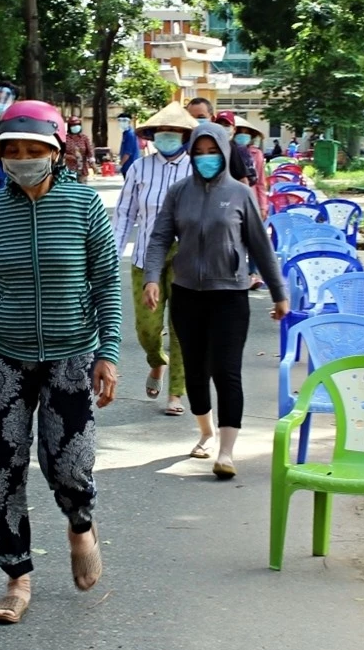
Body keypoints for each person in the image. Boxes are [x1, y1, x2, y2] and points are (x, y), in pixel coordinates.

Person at [0, 100, 121, 625]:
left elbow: (107, 282)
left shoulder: (84, 206)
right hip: (7, 360)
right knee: (3, 466)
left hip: (71, 355)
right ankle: (16, 575)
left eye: (34, 149)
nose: (22, 157)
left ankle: (80, 523)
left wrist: (107, 353)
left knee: (69, 463)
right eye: (11, 149)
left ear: (55, 152)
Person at [141, 122, 289, 479]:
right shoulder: (179, 192)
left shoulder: (240, 194)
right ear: (192, 155)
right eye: (199, 152)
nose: (206, 158)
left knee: (226, 371)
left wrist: (279, 292)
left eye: (212, 151)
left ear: (224, 153)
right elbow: (160, 237)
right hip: (187, 294)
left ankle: (226, 451)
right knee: (195, 371)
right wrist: (151, 278)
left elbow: (260, 246)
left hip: (230, 295)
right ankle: (205, 432)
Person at [112, 101, 196, 417]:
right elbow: (125, 213)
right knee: (147, 327)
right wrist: (112, 253)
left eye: (174, 132)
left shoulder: (195, 168)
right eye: (162, 131)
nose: (168, 136)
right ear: (153, 135)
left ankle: (176, 393)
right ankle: (156, 361)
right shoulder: (139, 168)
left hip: (187, 260)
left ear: (185, 135)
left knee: (182, 326)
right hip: (146, 257)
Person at [233, 114, 270, 290]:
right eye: (239, 132)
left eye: (246, 133)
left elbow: (261, 182)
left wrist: (263, 205)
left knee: (254, 240)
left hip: (252, 200)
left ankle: (253, 274)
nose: (242, 136)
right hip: (232, 201)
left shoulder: (257, 154)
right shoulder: (228, 151)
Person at [212, 110, 259, 187]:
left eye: (226, 125)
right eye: (219, 125)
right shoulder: (212, 149)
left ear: (234, 129)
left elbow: (249, 179)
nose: (223, 128)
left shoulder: (239, 150)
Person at [64, 115, 95, 183]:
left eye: (77, 125)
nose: (75, 127)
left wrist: (92, 163)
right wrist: (68, 156)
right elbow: (60, 153)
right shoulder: (65, 139)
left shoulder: (84, 138)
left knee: (82, 190)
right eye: (73, 125)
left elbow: (90, 152)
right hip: (69, 170)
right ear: (69, 126)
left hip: (83, 169)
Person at [117, 111, 141, 176]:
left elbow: (128, 153)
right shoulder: (125, 133)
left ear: (129, 122)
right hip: (127, 166)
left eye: (124, 121)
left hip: (130, 166)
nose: (121, 123)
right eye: (120, 121)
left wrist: (120, 164)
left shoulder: (130, 134)